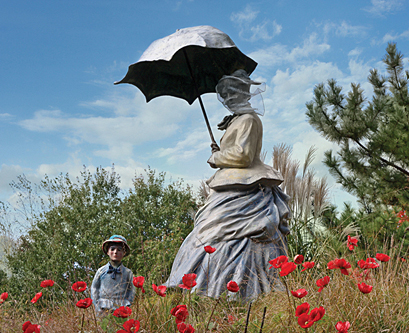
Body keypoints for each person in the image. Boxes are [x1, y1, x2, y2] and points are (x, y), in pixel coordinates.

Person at [164, 69, 290, 301]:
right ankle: (202, 286)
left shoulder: (249, 120)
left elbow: (243, 156)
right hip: (232, 184)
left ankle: (238, 289)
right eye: (226, 95)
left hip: (247, 187)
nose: (229, 99)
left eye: (233, 93)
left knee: (228, 233)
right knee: (207, 231)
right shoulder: (239, 120)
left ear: (244, 94)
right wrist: (221, 151)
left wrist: (217, 158)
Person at [91, 235, 135, 317]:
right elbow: (94, 288)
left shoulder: (128, 273)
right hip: (103, 308)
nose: (115, 252)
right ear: (107, 251)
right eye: (112, 249)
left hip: (122, 308)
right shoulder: (101, 271)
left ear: (124, 253)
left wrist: (128, 304)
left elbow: (131, 290)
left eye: (119, 250)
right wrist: (97, 304)